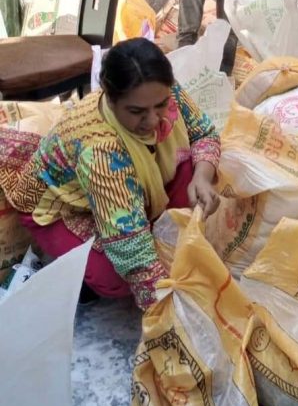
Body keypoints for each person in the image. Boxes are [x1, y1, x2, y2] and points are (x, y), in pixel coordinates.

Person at [0, 38, 220, 310]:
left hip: (125, 188)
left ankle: (144, 221)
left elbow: (204, 133)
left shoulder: (162, 90)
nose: (153, 120)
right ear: (110, 99)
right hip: (65, 209)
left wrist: (202, 177)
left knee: (198, 172)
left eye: (160, 106)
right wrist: (167, 312)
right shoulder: (101, 151)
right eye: (137, 112)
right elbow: (133, 252)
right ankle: (80, 273)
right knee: (117, 278)